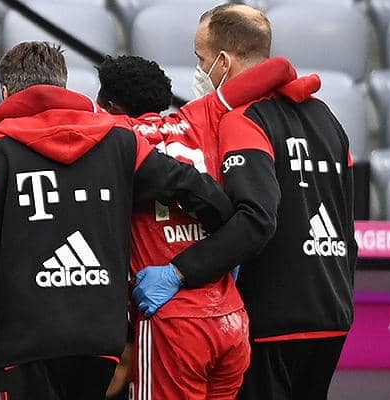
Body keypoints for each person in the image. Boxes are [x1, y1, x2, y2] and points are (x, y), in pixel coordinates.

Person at [0, 41, 238, 400]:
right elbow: (203, 193)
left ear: (6, 93)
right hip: (100, 342)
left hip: (25, 345)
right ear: (63, 85)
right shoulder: (120, 142)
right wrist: (209, 261)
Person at [133, 4, 357, 400]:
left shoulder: (243, 119)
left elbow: (256, 219)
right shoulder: (327, 117)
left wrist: (179, 271)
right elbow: (346, 223)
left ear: (223, 61)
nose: (200, 70)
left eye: (201, 59)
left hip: (272, 318)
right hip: (332, 312)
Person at [98, 54, 297, 400]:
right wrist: (300, 84)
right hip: (229, 318)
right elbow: (278, 68)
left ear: (111, 105)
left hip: (171, 320)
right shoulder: (200, 116)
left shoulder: (116, 134)